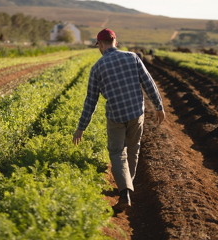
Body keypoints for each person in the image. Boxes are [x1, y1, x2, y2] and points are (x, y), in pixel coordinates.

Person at [73, 28, 165, 211]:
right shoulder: (132, 57)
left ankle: (124, 192)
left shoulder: (97, 68)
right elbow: (148, 82)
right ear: (115, 40)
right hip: (135, 113)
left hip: (115, 115)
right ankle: (128, 186)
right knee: (133, 148)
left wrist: (80, 128)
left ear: (100, 44)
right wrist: (158, 106)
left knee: (116, 152)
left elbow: (90, 101)